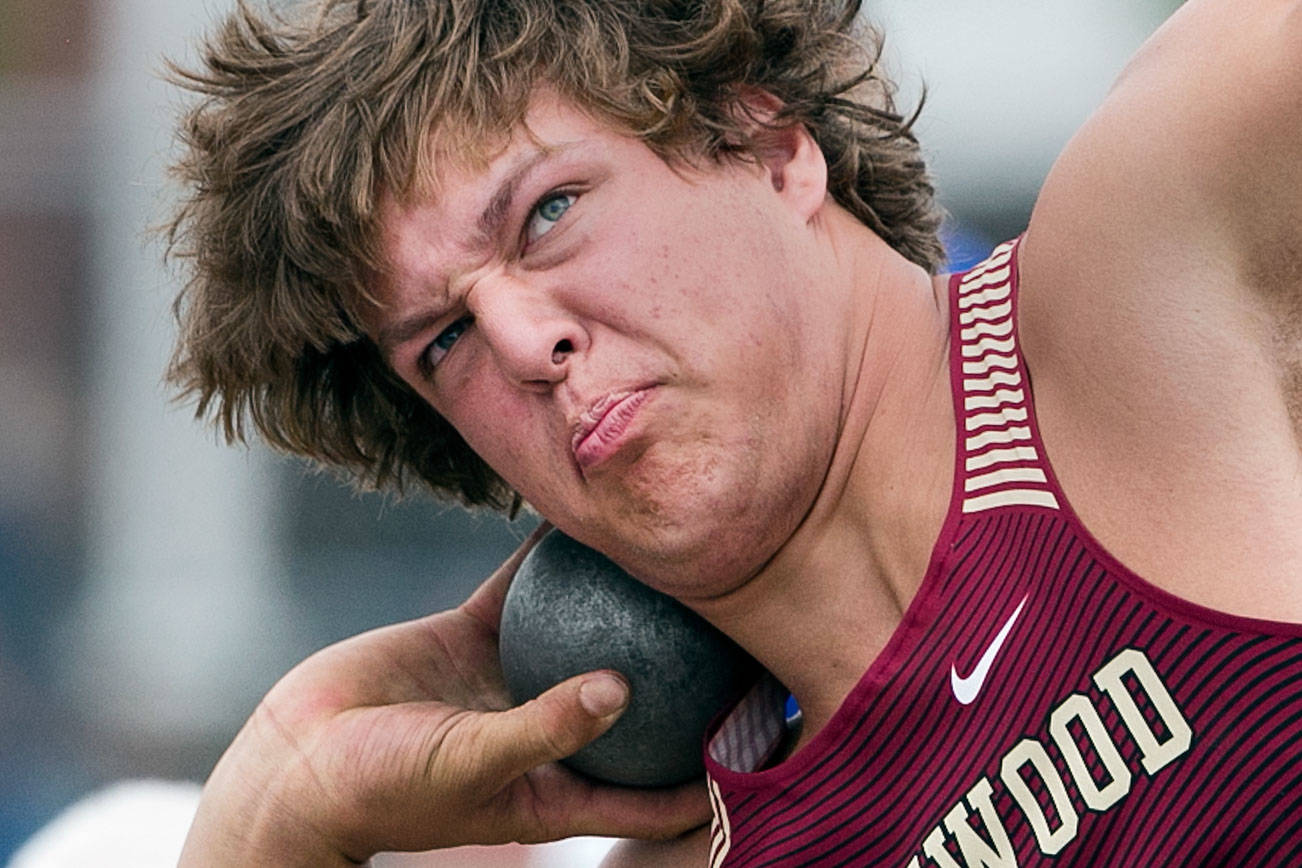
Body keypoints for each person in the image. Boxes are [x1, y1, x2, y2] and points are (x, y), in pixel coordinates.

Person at [165, 0, 1302, 864]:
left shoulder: (1153, 262)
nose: (518, 339)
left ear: (769, 143)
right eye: (442, 342)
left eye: (548, 212)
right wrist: (272, 811)